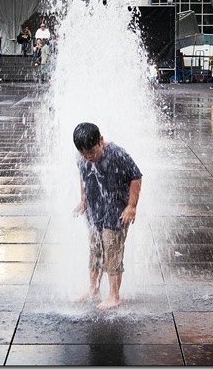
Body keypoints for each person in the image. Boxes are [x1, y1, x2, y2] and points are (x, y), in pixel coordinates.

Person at [73, 122, 142, 310]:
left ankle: (114, 295)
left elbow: (136, 176)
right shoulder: (82, 158)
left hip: (116, 213)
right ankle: (93, 288)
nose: (89, 158)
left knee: (112, 251)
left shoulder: (117, 154)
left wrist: (131, 206)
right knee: (95, 250)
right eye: (84, 154)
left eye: (92, 153)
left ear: (101, 141)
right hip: (95, 211)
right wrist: (83, 200)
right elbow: (83, 176)